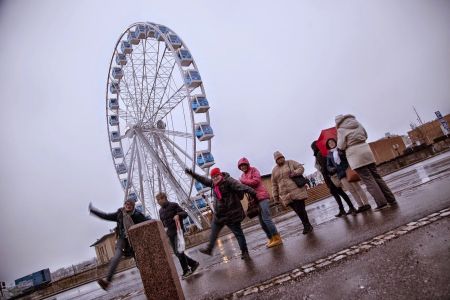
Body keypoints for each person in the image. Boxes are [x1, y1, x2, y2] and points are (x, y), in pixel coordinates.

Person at [185, 167, 257, 260]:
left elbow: (241, 186)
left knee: (238, 233)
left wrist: (252, 192)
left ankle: (245, 252)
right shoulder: (213, 184)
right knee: (214, 232)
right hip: (219, 215)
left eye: (216, 176)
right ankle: (209, 249)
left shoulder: (229, 181)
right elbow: (203, 179)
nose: (215, 178)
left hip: (232, 214)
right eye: (213, 177)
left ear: (220, 175)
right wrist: (192, 174)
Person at [335, 114, 397, 210]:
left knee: (368, 179)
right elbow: (366, 135)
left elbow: (341, 146)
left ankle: (381, 202)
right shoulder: (357, 123)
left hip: (355, 154)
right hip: (366, 150)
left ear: (337, 122)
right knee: (376, 176)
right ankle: (390, 198)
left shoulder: (341, 130)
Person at [89, 197, 149, 290]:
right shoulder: (119, 214)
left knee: (140, 262)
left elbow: (148, 224)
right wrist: (93, 211)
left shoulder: (138, 215)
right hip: (122, 240)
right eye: (126, 204)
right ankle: (107, 282)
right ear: (124, 205)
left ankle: (149, 281)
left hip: (134, 240)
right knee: (116, 257)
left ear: (133, 206)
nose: (128, 206)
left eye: (130, 205)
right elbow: (106, 216)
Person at [237, 157, 282, 248]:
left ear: (247, 164)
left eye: (244, 165)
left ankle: (277, 238)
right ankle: (271, 238)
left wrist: (243, 182)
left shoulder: (254, 170)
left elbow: (256, 181)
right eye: (241, 166)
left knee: (266, 218)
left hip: (262, 197)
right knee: (262, 222)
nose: (243, 167)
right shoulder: (242, 176)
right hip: (254, 200)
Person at [156, 192, 200, 279]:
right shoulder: (160, 211)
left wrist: (178, 215)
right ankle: (193, 263)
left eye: (160, 199)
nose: (158, 201)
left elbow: (185, 214)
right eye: (157, 200)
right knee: (177, 253)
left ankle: (186, 270)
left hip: (178, 232)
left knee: (180, 251)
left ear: (165, 198)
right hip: (170, 234)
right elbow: (163, 223)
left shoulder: (174, 205)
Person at [271, 151, 313, 234]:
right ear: (275, 160)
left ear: (283, 157)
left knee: (300, 209)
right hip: (285, 195)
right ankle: (307, 224)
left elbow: (301, 168)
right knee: (298, 211)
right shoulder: (274, 170)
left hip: (297, 190)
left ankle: (306, 225)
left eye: (281, 157)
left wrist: (295, 172)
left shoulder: (290, 162)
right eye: (278, 158)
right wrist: (275, 197)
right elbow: (274, 184)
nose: (280, 159)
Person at [311, 141, 357, 217]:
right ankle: (345, 209)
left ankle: (349, 208)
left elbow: (324, 167)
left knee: (337, 193)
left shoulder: (319, 154)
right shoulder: (323, 152)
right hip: (330, 176)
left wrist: (325, 174)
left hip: (329, 177)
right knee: (339, 192)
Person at [325, 138, 371, 212]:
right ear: (328, 145)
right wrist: (332, 169)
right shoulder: (329, 155)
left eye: (332, 142)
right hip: (340, 174)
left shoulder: (341, 149)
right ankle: (360, 205)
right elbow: (328, 166)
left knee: (357, 188)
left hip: (348, 170)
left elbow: (349, 157)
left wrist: (341, 153)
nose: (331, 144)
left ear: (335, 142)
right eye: (329, 143)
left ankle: (366, 204)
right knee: (351, 190)